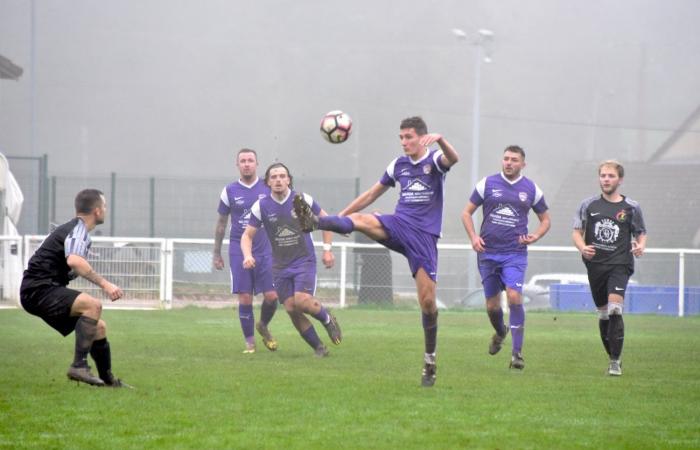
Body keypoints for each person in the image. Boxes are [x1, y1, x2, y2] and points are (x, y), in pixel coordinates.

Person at [294, 116, 458, 386]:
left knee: (428, 304)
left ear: (422, 137)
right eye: (401, 138)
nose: (404, 142)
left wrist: (440, 139)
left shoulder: (434, 161)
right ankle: (315, 221)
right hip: (398, 224)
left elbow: (454, 158)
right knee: (361, 218)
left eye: (409, 137)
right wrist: (339, 216)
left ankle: (429, 360)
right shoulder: (398, 165)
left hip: (424, 238)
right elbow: (371, 193)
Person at [20, 189, 129, 387]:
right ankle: (79, 366)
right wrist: (106, 284)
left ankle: (108, 381)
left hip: (39, 289)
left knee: (98, 327)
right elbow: (75, 262)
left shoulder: (74, 229)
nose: (105, 210)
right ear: (97, 211)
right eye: (104, 206)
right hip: (38, 290)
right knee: (92, 305)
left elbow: (70, 263)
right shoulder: (78, 230)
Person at [461, 145, 550, 370]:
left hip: (514, 253)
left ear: (523, 164)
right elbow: (466, 212)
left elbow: (546, 220)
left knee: (514, 297)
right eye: (506, 159)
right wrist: (473, 237)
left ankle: (517, 354)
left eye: (514, 160)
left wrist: (536, 236)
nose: (509, 163)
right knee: (492, 306)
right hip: (488, 253)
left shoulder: (531, 189)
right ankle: (501, 332)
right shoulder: (487, 184)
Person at [241, 162, 342, 357]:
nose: (278, 180)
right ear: (268, 182)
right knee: (290, 308)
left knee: (302, 301)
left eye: (282, 176)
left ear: (288, 179)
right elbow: (247, 236)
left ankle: (327, 318)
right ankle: (319, 348)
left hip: (304, 260)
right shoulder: (261, 206)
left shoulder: (302, 199)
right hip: (280, 265)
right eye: (274, 177)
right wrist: (247, 255)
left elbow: (326, 222)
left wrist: (327, 250)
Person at [572, 160, 646, 376]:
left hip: (620, 264)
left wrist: (641, 245)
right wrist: (583, 247)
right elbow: (577, 232)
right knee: (604, 314)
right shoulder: (588, 205)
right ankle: (612, 357)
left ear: (619, 180)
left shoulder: (631, 207)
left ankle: (615, 361)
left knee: (615, 309)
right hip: (595, 266)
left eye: (611, 176)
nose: (606, 179)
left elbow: (641, 231)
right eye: (603, 175)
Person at [213, 148, 280, 353]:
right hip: (238, 248)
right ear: (237, 165)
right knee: (244, 297)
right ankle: (250, 344)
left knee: (272, 296)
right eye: (243, 161)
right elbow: (222, 223)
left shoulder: (268, 187)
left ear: (257, 164)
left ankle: (263, 325)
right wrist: (216, 252)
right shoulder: (229, 191)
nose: (247, 164)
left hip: (265, 247)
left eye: (250, 160)